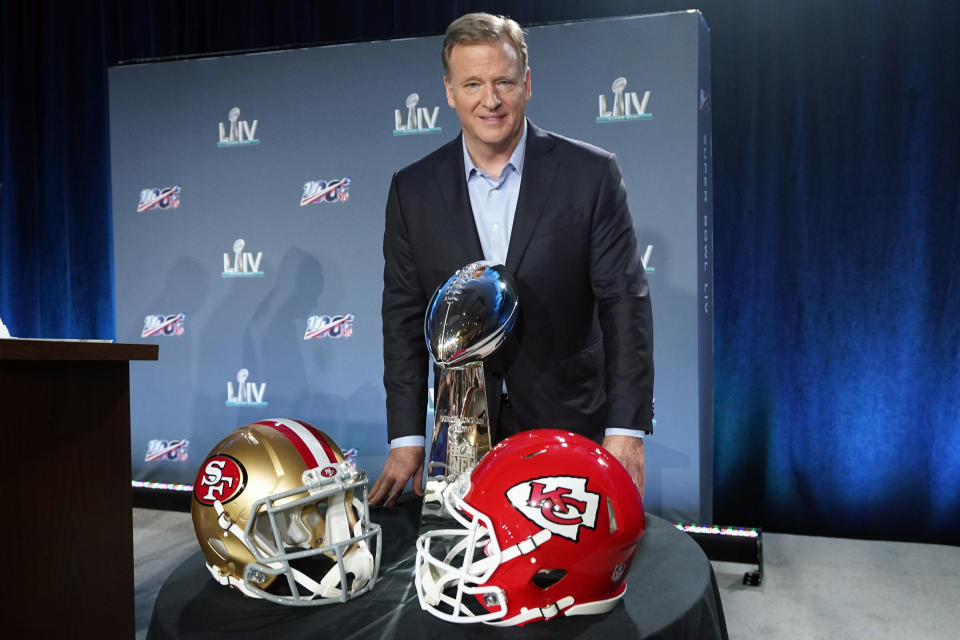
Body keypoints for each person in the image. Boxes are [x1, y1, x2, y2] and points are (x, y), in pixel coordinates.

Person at [369, 13, 653, 507]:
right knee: (464, 570)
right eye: (473, 83)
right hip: (459, 433)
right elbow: (402, 317)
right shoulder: (411, 190)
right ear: (449, 91)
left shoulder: (590, 175)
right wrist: (408, 437)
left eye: (503, 81)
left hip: (568, 419)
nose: (490, 99)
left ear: (526, 83)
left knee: (566, 572)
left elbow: (624, 305)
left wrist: (626, 427)